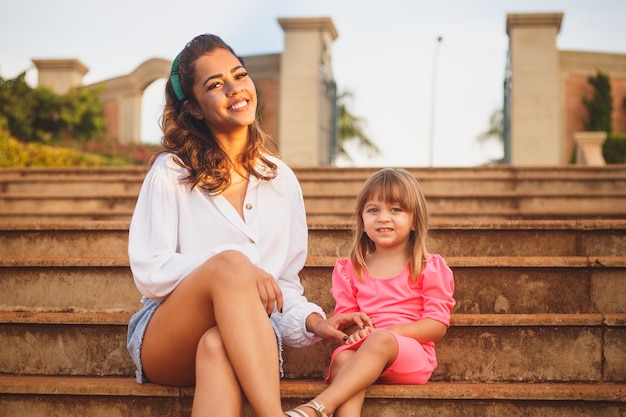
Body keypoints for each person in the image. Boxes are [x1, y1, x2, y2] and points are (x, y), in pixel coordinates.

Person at [126, 34, 371, 417]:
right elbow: (150, 271)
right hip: (166, 337)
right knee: (232, 263)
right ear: (194, 108)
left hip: (247, 335)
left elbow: (282, 285)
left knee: (217, 345)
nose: (234, 89)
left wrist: (313, 320)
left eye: (238, 75)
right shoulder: (171, 172)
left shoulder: (282, 180)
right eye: (215, 84)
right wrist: (227, 267)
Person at [285, 168, 456, 417]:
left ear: (415, 220)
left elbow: (436, 325)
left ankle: (317, 407)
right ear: (362, 220)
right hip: (363, 351)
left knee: (379, 341)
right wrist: (357, 334)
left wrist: (382, 334)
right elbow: (347, 321)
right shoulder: (350, 269)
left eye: (396, 209)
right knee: (343, 359)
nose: (383, 218)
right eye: (373, 210)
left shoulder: (429, 266)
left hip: (409, 355)